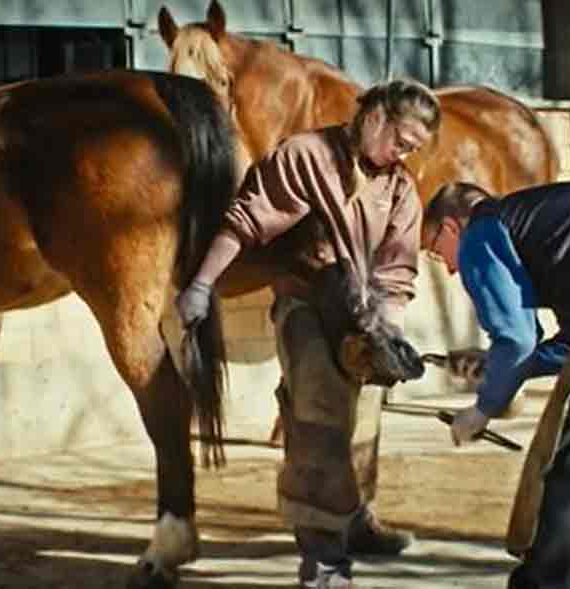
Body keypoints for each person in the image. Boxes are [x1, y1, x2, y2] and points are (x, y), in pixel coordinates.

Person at [177, 78, 441, 588]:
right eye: (401, 139)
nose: (404, 153)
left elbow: (397, 270)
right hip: (305, 305)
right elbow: (244, 222)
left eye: (414, 148)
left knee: (363, 421)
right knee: (319, 418)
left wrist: (390, 330)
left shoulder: (401, 188)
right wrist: (201, 285)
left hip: (364, 320)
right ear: (373, 116)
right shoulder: (307, 156)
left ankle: (357, 522)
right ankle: (322, 558)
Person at [422, 181, 570, 589]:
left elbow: (516, 338)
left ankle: (542, 580)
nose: (449, 267)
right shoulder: (560, 243)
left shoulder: (481, 231)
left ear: (450, 227)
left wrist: (482, 409)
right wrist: (501, 368)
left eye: (436, 251)